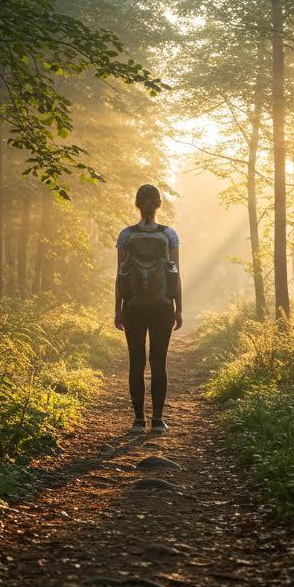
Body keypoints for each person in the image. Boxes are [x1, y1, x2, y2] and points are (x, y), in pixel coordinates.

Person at [115, 184, 183, 434]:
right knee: (158, 362)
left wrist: (118, 310)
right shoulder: (169, 235)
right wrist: (178, 308)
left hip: (132, 306)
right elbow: (175, 274)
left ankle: (137, 421)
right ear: (158, 204)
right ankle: (157, 420)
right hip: (162, 306)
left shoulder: (126, 235)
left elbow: (120, 275)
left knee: (136, 362)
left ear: (137, 203)